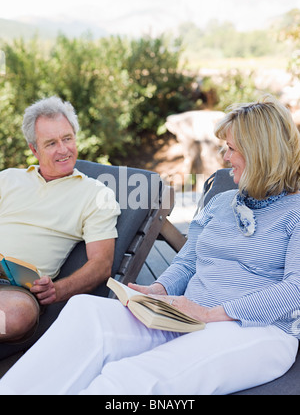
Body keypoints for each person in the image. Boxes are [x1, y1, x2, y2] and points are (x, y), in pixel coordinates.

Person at [0, 94, 299, 395]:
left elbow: (295, 290)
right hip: (188, 319)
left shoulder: (295, 212)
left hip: (257, 330)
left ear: (259, 153)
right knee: (85, 312)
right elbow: (187, 261)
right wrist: (158, 291)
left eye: (232, 149)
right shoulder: (221, 203)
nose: (224, 157)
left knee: (128, 377)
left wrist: (211, 313)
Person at [0, 96, 120, 343]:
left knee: (15, 316)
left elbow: (101, 265)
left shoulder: (97, 195)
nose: (63, 149)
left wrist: (57, 290)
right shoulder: (8, 179)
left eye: (67, 138)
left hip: (16, 293)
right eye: (51, 143)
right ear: (34, 149)